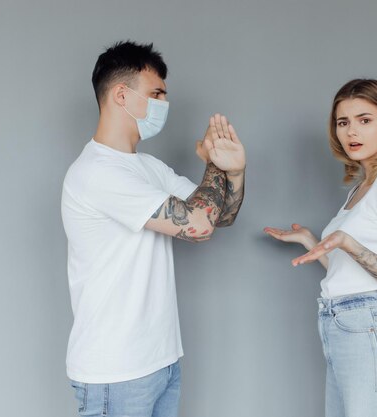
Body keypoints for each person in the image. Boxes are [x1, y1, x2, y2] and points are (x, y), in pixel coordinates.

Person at [61, 40, 246, 417]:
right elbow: (198, 225)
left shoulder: (146, 168)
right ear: (121, 95)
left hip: (159, 361)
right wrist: (214, 165)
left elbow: (220, 214)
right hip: (117, 372)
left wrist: (235, 171)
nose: (164, 104)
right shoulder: (99, 172)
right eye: (156, 94)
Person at [264, 79, 377, 417]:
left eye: (365, 120)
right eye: (343, 122)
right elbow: (357, 275)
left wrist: (348, 244)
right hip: (343, 325)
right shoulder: (361, 188)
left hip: (370, 327)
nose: (352, 131)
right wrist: (315, 243)